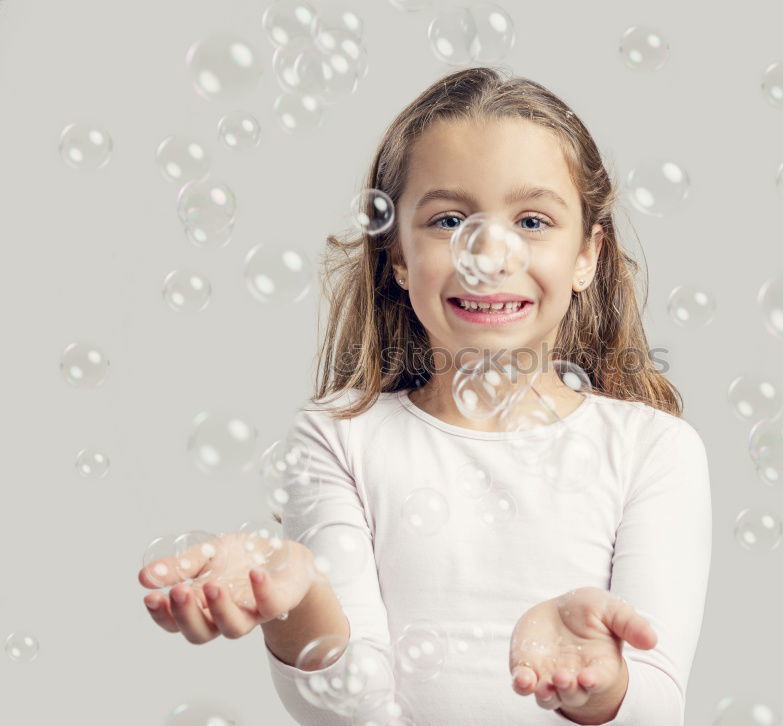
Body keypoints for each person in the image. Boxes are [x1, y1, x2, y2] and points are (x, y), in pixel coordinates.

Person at [138, 65, 712, 726]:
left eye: (531, 220)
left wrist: (600, 684)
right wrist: (296, 600)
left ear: (587, 254)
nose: (489, 255)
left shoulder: (654, 450)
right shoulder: (340, 439)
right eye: (448, 220)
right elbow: (349, 712)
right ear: (399, 256)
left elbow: (658, 705)